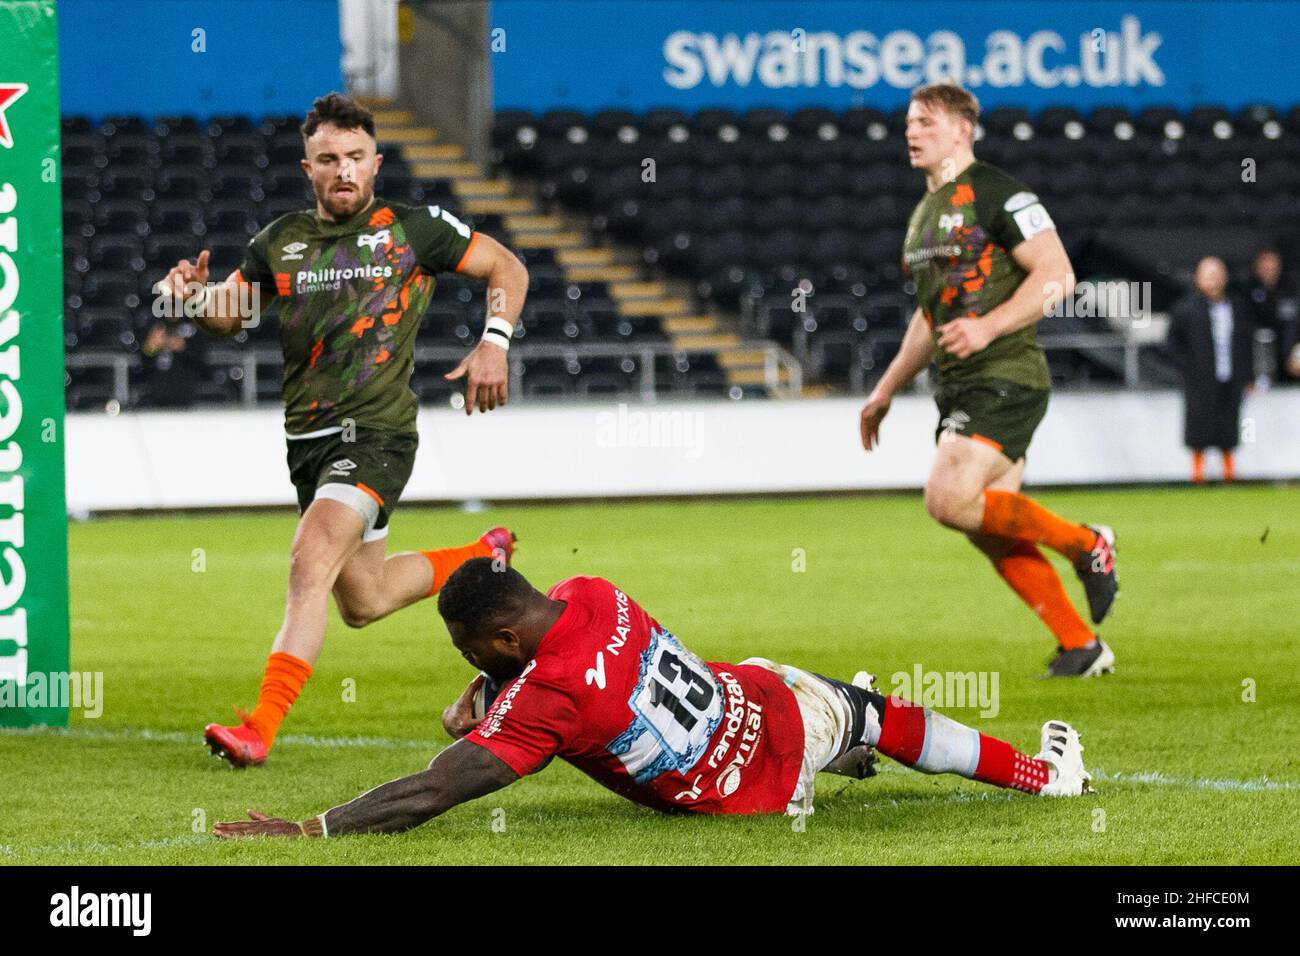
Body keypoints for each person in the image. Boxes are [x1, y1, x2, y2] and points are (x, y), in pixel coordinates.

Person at [155, 92, 529, 767]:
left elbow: (508, 265)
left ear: (376, 161)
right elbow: (227, 316)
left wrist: (495, 341)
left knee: (309, 560)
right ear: (309, 168)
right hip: (309, 444)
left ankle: (259, 727)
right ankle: (483, 552)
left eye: (356, 157)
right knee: (364, 599)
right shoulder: (281, 243)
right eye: (329, 160)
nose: (344, 170)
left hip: (377, 436)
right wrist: (192, 300)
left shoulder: (415, 230)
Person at [212, 559, 1093, 840]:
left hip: (753, 790)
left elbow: (436, 788)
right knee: (876, 713)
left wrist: (313, 829)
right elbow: (555, 657)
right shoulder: (591, 592)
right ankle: (1004, 766)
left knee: (871, 715)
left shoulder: (544, 699)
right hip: (764, 712)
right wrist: (490, 686)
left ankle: (1050, 779)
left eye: (472, 651)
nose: (468, 660)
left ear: (506, 642)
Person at [858, 83, 1117, 679]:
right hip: (958, 386)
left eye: (924, 121)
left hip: (1005, 376)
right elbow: (932, 315)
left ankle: (1087, 544)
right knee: (991, 526)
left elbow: (1058, 274)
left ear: (961, 129)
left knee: (947, 499)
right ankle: (1082, 645)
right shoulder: (924, 213)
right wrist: (886, 388)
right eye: (908, 123)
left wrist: (988, 327)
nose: (911, 131)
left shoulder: (1000, 192)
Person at [1167, 256, 1255, 483]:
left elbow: (1247, 344)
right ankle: (1197, 474)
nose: (1213, 279)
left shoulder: (1238, 307)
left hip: (1230, 377)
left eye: (1217, 274)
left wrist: (1249, 375)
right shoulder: (1185, 309)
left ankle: (1229, 473)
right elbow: (1173, 344)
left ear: (1225, 277)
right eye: (1208, 274)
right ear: (1198, 278)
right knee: (1199, 424)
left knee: (1229, 424)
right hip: (1199, 380)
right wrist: (1188, 369)